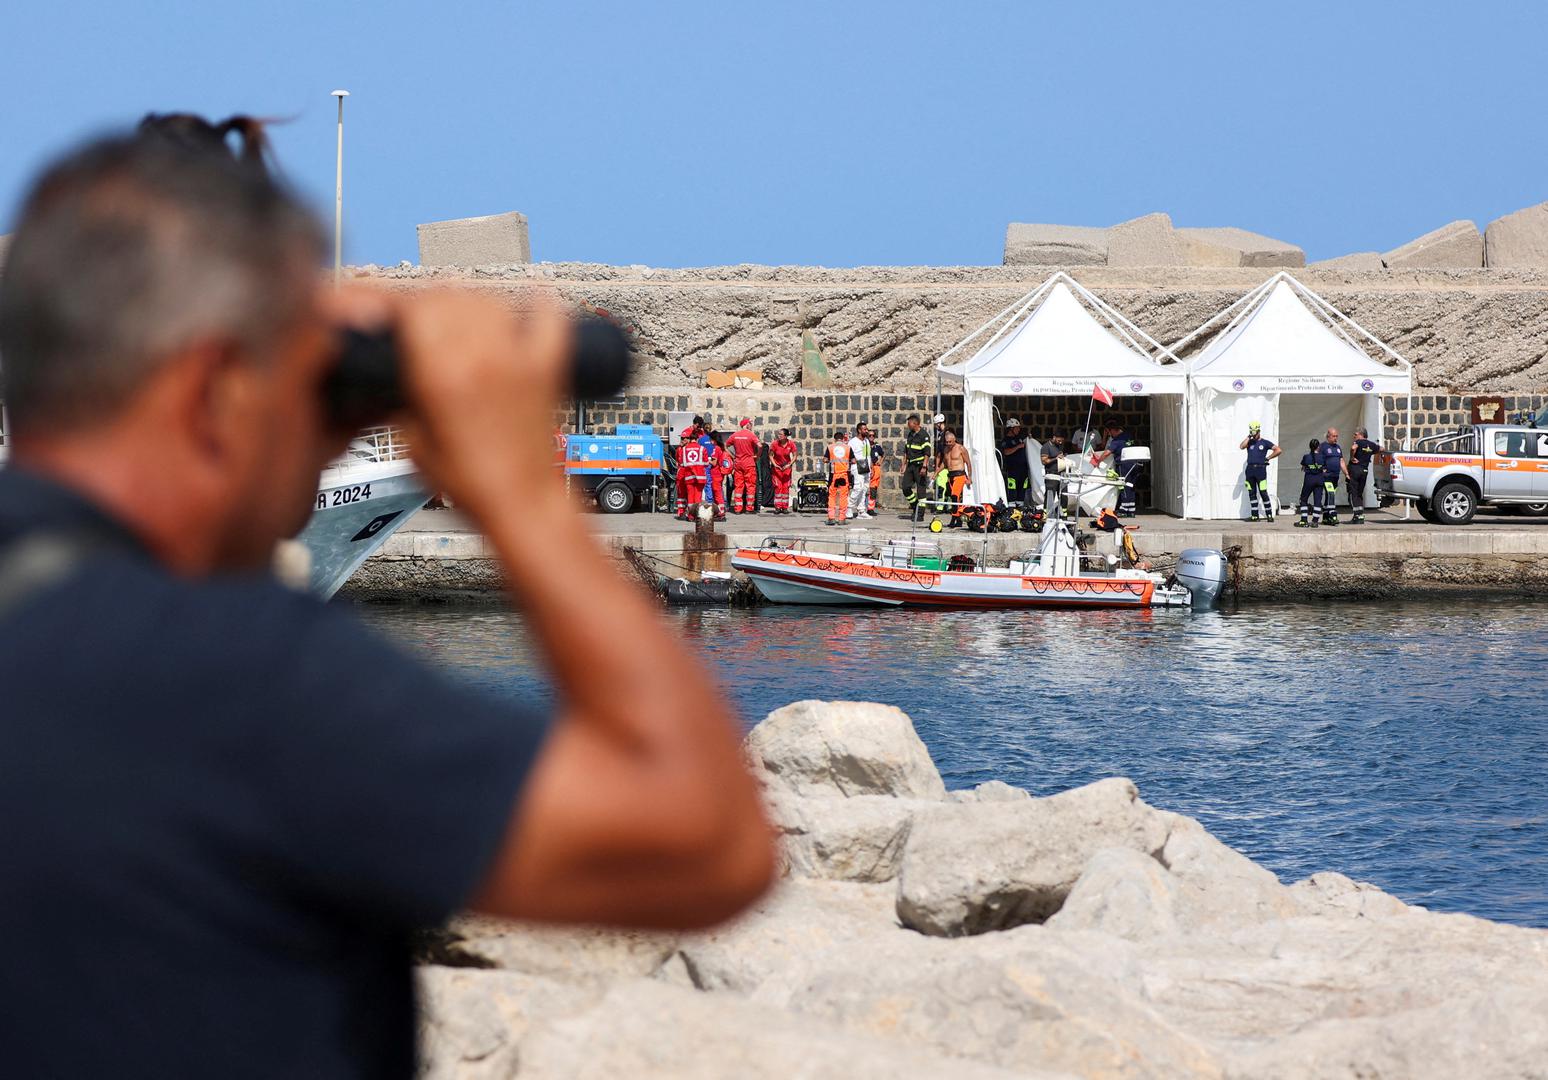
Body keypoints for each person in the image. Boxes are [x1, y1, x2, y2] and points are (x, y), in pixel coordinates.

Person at [0, 114, 773, 1079]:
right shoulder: (230, 681)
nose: (327, 429)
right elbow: (703, 843)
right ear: (213, 391)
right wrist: (519, 488)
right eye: (306, 381)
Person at [1240, 422, 1281, 522]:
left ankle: (1269, 515)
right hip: (1250, 470)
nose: (1253, 436)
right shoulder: (1250, 441)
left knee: (1263, 492)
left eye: (1255, 434)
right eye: (1252, 434)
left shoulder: (1265, 442)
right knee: (1252, 493)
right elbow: (1241, 446)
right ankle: (1255, 516)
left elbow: (1278, 450)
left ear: (1259, 431)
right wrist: (1249, 437)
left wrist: (1268, 458)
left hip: (1260, 470)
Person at [1095, 420, 1138, 517]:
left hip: (1124, 465)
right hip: (1134, 464)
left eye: (1109, 433)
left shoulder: (1117, 440)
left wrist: (1098, 461)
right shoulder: (1128, 436)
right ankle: (1131, 510)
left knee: (1124, 486)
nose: (1110, 435)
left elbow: (1107, 452)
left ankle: (1124, 510)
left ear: (1113, 430)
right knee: (1131, 486)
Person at [899, 414, 933, 522]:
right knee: (905, 487)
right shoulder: (910, 434)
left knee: (921, 491)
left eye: (909, 423)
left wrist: (924, 466)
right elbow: (906, 451)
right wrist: (903, 465)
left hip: (920, 466)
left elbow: (927, 453)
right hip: (910, 466)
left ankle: (920, 514)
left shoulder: (924, 435)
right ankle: (915, 506)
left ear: (915, 423)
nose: (907, 425)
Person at [726, 417, 761, 514]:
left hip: (738, 463)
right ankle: (749, 508)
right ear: (747, 424)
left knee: (738, 486)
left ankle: (738, 509)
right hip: (749, 463)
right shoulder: (751, 435)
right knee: (750, 486)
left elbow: (726, 445)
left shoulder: (735, 435)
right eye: (750, 423)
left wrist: (733, 456)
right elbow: (760, 446)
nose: (751, 425)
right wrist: (757, 456)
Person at [1347, 426, 1381, 524]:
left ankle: (1357, 516)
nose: (1354, 436)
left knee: (1353, 492)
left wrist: (1352, 457)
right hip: (1364, 471)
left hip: (1355, 469)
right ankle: (1360, 515)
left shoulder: (1357, 443)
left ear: (1361, 434)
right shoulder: (1371, 445)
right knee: (1359, 493)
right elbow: (1382, 449)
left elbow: (1353, 448)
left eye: (1355, 434)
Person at [674, 414, 705, 517]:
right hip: (685, 470)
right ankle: (681, 511)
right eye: (699, 426)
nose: (700, 428)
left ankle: (690, 512)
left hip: (693, 469)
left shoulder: (700, 432)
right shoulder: (686, 433)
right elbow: (680, 458)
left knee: (691, 494)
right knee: (682, 492)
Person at [1317, 428, 1348, 527]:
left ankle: (1326, 517)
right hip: (1327, 476)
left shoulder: (1338, 447)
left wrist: (1346, 473)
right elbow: (1316, 458)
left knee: (1330, 496)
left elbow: (1341, 461)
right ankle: (1332, 516)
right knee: (1331, 494)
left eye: (1337, 436)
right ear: (1328, 436)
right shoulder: (1322, 447)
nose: (1336, 438)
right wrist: (1321, 469)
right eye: (1334, 436)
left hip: (1335, 476)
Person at [940, 429, 972, 526]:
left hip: (960, 475)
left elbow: (968, 463)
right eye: (947, 442)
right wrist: (936, 472)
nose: (948, 443)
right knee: (953, 497)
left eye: (950, 442)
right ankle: (958, 520)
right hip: (950, 475)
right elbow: (944, 464)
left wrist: (969, 477)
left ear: (954, 440)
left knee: (955, 496)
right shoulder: (946, 450)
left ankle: (954, 519)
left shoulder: (961, 448)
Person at [824, 428, 853, 525]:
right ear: (842, 439)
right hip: (844, 475)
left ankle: (831, 518)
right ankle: (841, 519)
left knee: (831, 496)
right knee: (843, 497)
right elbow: (853, 461)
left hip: (834, 474)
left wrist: (831, 460)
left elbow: (825, 459)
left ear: (835, 439)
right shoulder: (848, 448)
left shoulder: (830, 447)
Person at [998, 418, 1030, 505]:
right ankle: (1011, 509)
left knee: (1022, 489)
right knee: (1012, 489)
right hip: (1013, 470)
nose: (1018, 429)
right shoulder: (1006, 440)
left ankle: (1020, 508)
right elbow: (1006, 452)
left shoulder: (1019, 438)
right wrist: (1018, 447)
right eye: (1017, 428)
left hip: (1023, 470)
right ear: (1011, 428)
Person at [1295, 438, 1326, 528]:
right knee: (1317, 501)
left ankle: (1304, 520)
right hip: (1319, 480)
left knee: (1303, 499)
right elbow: (1324, 469)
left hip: (1309, 480)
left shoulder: (1306, 457)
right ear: (1318, 447)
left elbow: (1303, 467)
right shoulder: (1322, 457)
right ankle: (1315, 521)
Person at [847, 423, 873, 521]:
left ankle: (861, 511)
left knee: (864, 489)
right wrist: (852, 460)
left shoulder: (866, 441)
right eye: (864, 429)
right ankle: (849, 508)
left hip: (866, 468)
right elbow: (848, 453)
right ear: (859, 430)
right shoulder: (853, 442)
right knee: (858, 488)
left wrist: (871, 467)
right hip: (857, 467)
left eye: (866, 429)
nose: (866, 431)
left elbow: (868, 455)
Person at [1040, 433, 1069, 519]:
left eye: (1062, 441)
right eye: (1059, 440)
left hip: (1061, 474)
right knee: (1050, 495)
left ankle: (1064, 515)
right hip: (1051, 474)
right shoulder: (1046, 447)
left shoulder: (1059, 446)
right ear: (1054, 437)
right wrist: (1055, 458)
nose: (1060, 442)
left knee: (1064, 495)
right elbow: (1044, 461)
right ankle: (1046, 515)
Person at [768, 428, 797, 513]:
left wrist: (789, 464)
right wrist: (775, 465)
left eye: (781, 434)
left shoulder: (791, 444)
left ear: (785, 436)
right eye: (778, 434)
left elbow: (795, 455)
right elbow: (770, 455)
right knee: (778, 487)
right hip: (777, 469)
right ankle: (777, 507)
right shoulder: (774, 444)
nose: (779, 436)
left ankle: (785, 507)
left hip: (786, 469)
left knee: (785, 487)